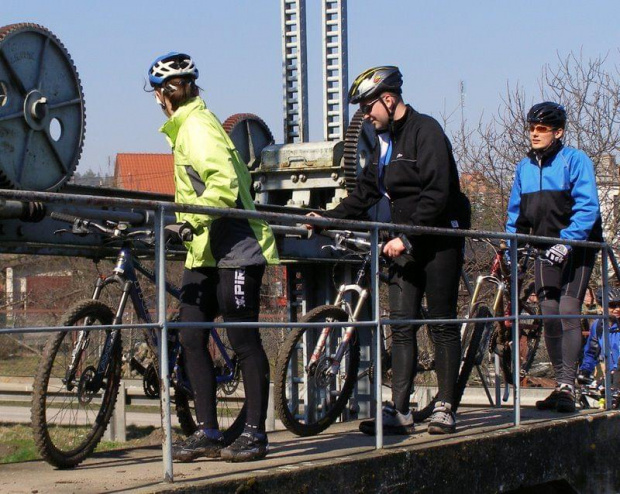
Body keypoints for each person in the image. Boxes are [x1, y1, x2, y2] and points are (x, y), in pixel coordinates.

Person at [305, 66, 471, 435]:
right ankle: (400, 410)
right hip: (402, 242)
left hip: (438, 237)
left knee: (442, 321)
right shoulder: (382, 141)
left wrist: (407, 238)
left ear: (389, 99)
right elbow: (366, 193)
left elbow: (438, 193)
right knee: (400, 324)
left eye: (368, 107)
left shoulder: (425, 131)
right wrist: (327, 219)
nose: (366, 115)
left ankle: (446, 406)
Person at [147, 52, 279, 462]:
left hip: (236, 244)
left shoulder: (197, 128)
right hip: (203, 247)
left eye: (155, 93)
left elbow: (222, 182)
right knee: (190, 335)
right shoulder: (184, 127)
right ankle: (207, 430)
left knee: (243, 339)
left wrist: (192, 221)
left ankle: (256, 434)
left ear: (163, 95)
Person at [505, 101, 603, 413]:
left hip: (578, 246)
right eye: (532, 129)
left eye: (542, 129)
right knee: (547, 312)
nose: (534, 134)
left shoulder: (575, 160)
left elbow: (588, 207)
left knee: (568, 309)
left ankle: (567, 385)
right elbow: (516, 215)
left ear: (557, 133)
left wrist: (568, 242)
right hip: (542, 247)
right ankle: (561, 384)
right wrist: (512, 247)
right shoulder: (525, 167)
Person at [578, 287, 620, 388]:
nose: (618, 309)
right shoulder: (598, 326)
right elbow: (591, 352)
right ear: (601, 307)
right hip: (612, 378)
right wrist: (585, 371)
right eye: (612, 305)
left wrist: (615, 372)